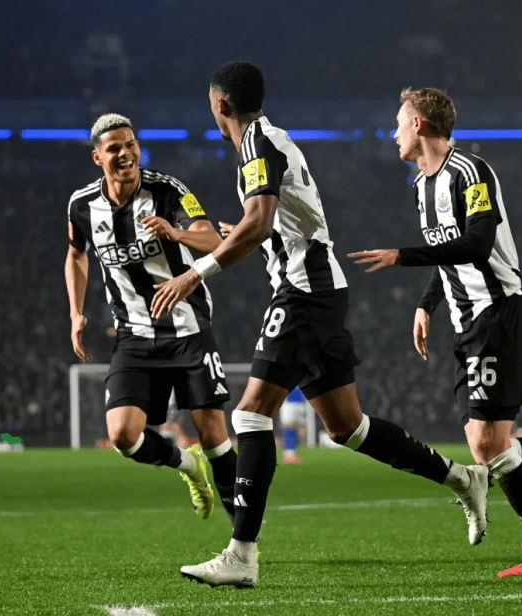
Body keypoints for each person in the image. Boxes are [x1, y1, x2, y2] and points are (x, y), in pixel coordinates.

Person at [151, 62, 488, 588]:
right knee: (346, 427)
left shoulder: (257, 145)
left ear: (220, 106)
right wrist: (220, 233)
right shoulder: (266, 141)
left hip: (305, 293)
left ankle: (241, 553)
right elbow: (265, 224)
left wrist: (195, 274)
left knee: (250, 416)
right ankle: (462, 478)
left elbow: (260, 223)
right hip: (321, 290)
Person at [347, 87, 522, 576]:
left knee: (487, 446)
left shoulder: (470, 173)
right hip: (466, 320)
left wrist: (401, 256)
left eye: (398, 122)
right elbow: (447, 250)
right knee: (492, 443)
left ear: (419, 125)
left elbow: (476, 244)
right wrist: (426, 303)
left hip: (499, 312)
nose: (392, 133)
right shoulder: (419, 185)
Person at [65, 113, 239, 525]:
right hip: (134, 335)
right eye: (114, 149)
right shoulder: (81, 204)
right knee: (123, 436)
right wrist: (75, 312)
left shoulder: (167, 190)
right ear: (97, 158)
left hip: (187, 329)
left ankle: (242, 540)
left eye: (131, 145)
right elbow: (76, 254)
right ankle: (186, 466)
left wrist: (176, 234)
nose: (126, 154)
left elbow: (214, 240)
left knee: (215, 436)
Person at [279, 387, 306, 464]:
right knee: (288, 426)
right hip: (288, 402)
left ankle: (292, 453)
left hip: (301, 402)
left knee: (298, 427)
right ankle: (288, 454)